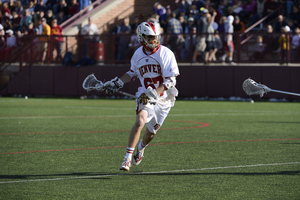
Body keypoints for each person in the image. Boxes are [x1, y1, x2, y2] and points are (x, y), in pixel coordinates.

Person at [102, 22, 179, 172]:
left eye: (156, 37)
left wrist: (155, 92)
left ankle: (141, 147)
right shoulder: (138, 54)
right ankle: (126, 159)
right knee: (140, 121)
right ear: (141, 37)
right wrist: (117, 83)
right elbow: (132, 73)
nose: (154, 41)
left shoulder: (166, 53)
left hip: (163, 98)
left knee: (150, 134)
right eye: (150, 38)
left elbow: (171, 80)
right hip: (144, 96)